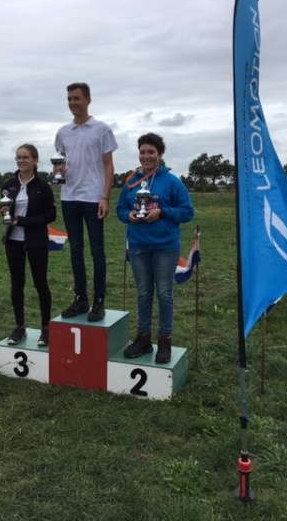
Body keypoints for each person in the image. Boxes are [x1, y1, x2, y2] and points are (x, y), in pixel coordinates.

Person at [116, 133, 194, 364]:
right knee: (143, 292)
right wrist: (129, 215)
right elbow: (120, 209)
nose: (146, 156)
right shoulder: (132, 181)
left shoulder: (172, 182)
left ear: (160, 154)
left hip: (165, 247)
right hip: (138, 246)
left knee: (164, 292)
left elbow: (187, 212)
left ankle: (165, 339)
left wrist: (162, 212)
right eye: (142, 152)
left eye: (151, 152)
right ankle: (143, 338)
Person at [54, 82, 118, 321]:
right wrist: (58, 171)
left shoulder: (101, 129)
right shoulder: (63, 132)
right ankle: (81, 298)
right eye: (69, 99)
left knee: (97, 251)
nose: (72, 103)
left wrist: (105, 197)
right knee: (76, 250)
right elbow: (60, 161)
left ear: (88, 100)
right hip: (69, 197)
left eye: (77, 98)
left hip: (93, 198)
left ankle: (99, 301)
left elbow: (108, 165)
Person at [1, 144, 57, 346]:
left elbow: (50, 215)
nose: (21, 161)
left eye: (25, 157)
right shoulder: (9, 184)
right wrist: (5, 215)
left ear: (35, 160)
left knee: (40, 283)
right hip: (13, 241)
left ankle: (46, 328)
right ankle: (19, 327)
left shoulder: (43, 186)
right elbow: (4, 210)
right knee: (17, 283)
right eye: (18, 157)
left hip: (36, 241)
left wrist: (24, 221)